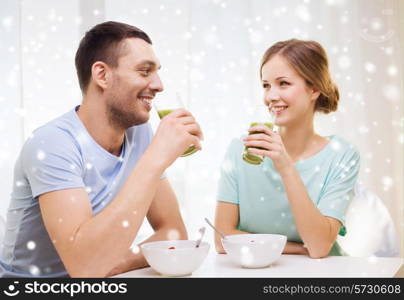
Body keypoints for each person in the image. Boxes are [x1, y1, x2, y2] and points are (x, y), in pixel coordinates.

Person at [0, 21, 203, 277]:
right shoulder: (52, 144)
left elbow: (173, 232)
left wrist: (116, 262)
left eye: (157, 72)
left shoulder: (139, 133)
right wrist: (155, 159)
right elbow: (84, 269)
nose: (159, 85)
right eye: (144, 71)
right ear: (102, 75)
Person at [214, 39, 360, 258]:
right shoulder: (241, 150)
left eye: (283, 83)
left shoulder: (342, 155)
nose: (271, 96)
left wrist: (286, 166)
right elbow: (222, 239)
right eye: (266, 85)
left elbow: (319, 247)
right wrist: (299, 249)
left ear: (314, 89)